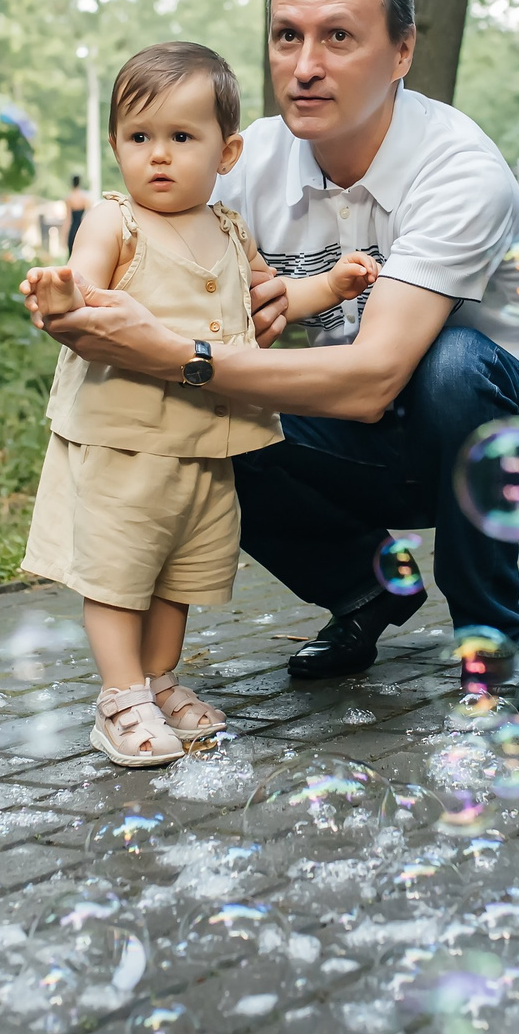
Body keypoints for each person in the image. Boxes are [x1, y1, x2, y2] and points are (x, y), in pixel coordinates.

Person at [24, 0, 519, 710]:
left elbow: (374, 378)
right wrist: (79, 305)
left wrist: (182, 354)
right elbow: (146, 267)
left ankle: (487, 636)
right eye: (287, 35)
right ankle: (365, 591)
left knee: (450, 363)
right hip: (363, 440)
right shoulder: (242, 157)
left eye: (337, 37)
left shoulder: (460, 169)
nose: (304, 64)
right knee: (210, 411)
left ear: (401, 53)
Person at [21, 43, 382, 765]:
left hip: (208, 444)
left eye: (182, 138)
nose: (158, 155)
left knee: (176, 577)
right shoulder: (112, 220)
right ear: (116, 144)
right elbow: (82, 290)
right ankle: (119, 699)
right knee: (120, 575)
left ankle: (160, 682)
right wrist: (60, 295)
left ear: (227, 152)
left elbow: (270, 299)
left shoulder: (228, 228)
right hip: (124, 443)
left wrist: (333, 288)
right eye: (139, 137)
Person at [63, 175, 92, 249]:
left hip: (73, 229)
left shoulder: (69, 198)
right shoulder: (85, 197)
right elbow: (88, 215)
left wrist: (64, 236)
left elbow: (68, 219)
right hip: (82, 228)